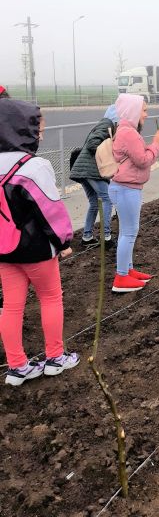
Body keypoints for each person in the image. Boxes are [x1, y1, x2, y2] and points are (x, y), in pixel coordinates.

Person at [0, 99, 79, 386]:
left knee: (11, 306)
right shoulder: (34, 167)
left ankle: (17, 366)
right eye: (37, 128)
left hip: (4, 251)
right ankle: (55, 357)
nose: (39, 133)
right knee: (50, 297)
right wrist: (63, 241)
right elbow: (51, 211)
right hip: (36, 250)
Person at [109, 94, 159, 294]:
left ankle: (128, 270)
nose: (146, 115)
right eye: (144, 110)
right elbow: (143, 160)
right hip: (126, 189)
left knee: (127, 231)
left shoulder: (124, 130)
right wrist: (156, 143)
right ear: (133, 111)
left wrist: (152, 146)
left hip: (124, 188)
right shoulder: (129, 133)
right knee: (129, 232)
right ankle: (121, 276)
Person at [70, 105, 119, 247]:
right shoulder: (106, 125)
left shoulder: (103, 124)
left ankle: (87, 237)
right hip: (91, 171)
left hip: (83, 170)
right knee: (107, 199)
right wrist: (108, 153)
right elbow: (93, 144)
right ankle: (107, 237)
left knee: (93, 202)